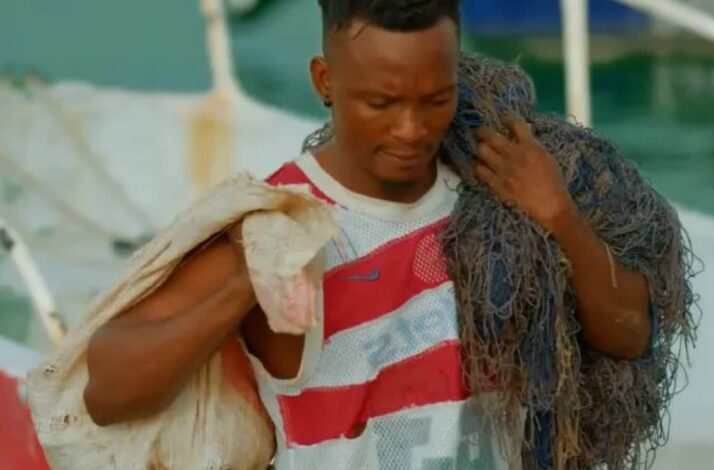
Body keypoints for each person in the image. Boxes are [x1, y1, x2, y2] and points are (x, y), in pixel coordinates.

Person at [83, 1, 655, 468]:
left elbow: (630, 334)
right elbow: (107, 392)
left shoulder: (493, 189)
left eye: (436, 100)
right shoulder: (281, 220)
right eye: (381, 103)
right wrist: (248, 287)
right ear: (324, 80)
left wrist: (558, 215)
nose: (411, 129)